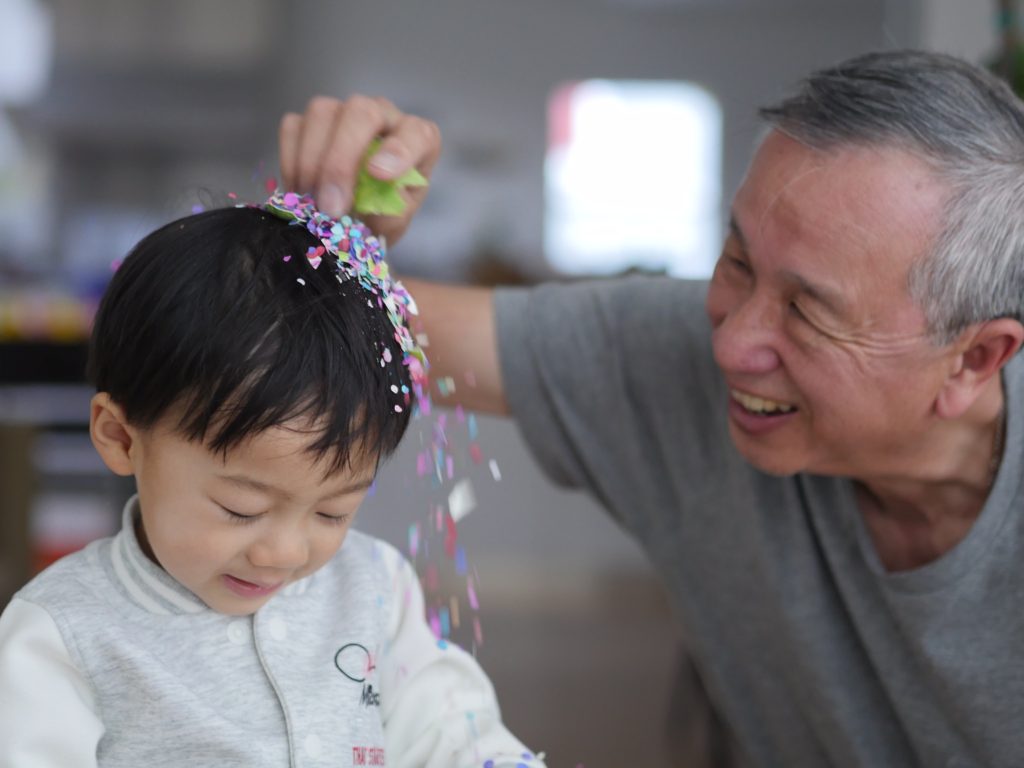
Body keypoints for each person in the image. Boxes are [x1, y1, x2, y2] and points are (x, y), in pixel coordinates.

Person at [277, 51, 1024, 766]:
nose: (733, 345)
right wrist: (334, 229)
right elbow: (348, 327)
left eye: (808, 312)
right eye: (735, 262)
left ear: (975, 359)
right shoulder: (678, 359)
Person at [0, 194, 544, 768]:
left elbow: (450, 734)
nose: (284, 552)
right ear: (122, 437)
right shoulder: (62, 632)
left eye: (333, 512)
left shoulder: (374, 587)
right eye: (241, 508)